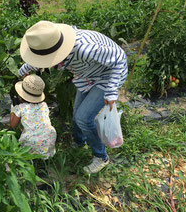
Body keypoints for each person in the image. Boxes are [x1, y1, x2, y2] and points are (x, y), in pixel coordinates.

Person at [17, 20, 128, 174]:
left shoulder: (85, 49)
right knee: (77, 114)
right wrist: (26, 68)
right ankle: (79, 143)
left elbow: (119, 60)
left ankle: (101, 156)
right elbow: (45, 56)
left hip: (107, 76)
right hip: (87, 74)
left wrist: (111, 91)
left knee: (83, 118)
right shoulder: (53, 42)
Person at [10, 74, 57, 159]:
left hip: (30, 141)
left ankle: (32, 157)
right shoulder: (44, 105)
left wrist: (12, 110)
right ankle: (45, 157)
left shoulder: (20, 108)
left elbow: (13, 124)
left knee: (27, 144)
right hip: (49, 137)